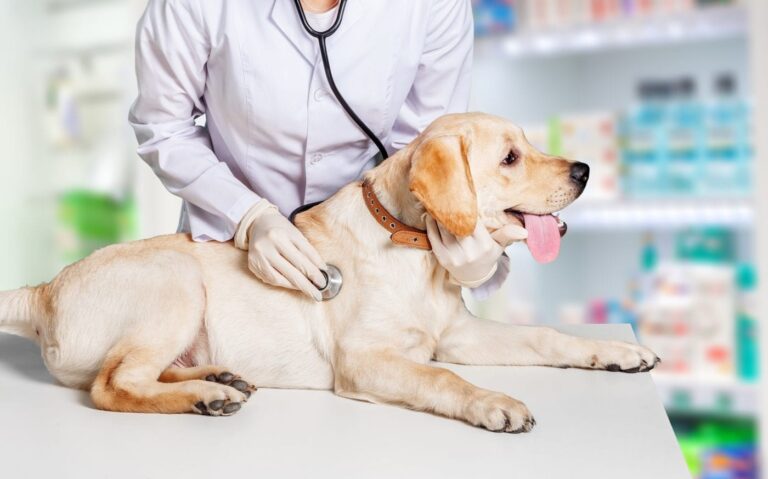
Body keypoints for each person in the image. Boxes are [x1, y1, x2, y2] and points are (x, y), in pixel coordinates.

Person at [130, 0, 526, 302]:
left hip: (373, 256)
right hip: (228, 255)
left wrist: (469, 260)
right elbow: (164, 126)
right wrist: (246, 215)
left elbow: (428, 152)